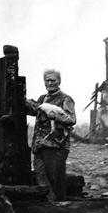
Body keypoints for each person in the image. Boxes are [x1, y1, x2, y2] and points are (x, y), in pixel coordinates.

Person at [25, 69, 76, 201]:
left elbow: (71, 119)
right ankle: (50, 204)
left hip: (56, 146)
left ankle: (59, 206)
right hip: (40, 145)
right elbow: (34, 111)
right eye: (47, 80)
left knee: (56, 178)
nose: (50, 83)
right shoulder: (42, 99)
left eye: (53, 80)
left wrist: (56, 117)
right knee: (40, 175)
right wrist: (23, 100)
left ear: (59, 81)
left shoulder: (66, 99)